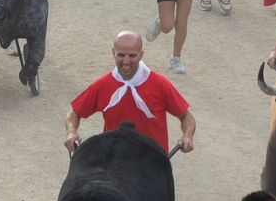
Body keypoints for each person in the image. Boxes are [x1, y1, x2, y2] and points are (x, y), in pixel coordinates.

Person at [65, 31, 197, 153]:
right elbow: (74, 113)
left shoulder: (160, 84)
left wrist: (187, 135)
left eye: (132, 55)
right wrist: (71, 132)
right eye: (121, 55)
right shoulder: (102, 85)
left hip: (153, 160)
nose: (126, 61)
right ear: (113, 53)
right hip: (113, 160)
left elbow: (186, 117)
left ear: (141, 54)